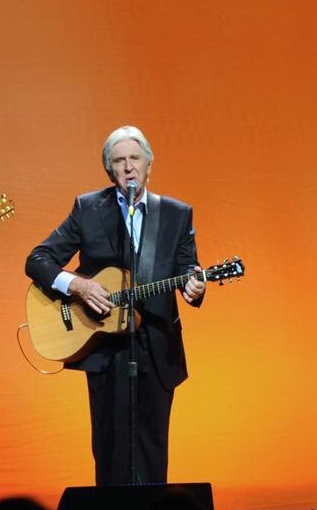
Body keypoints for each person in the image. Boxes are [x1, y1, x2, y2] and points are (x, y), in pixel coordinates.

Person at [25, 125, 204, 486]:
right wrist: (76, 285)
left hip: (155, 346)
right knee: (110, 450)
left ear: (149, 165)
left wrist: (195, 288)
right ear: (109, 170)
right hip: (104, 347)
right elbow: (38, 259)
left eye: (134, 159)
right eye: (119, 161)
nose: (128, 168)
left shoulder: (175, 213)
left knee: (153, 449)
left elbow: (189, 270)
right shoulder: (88, 207)